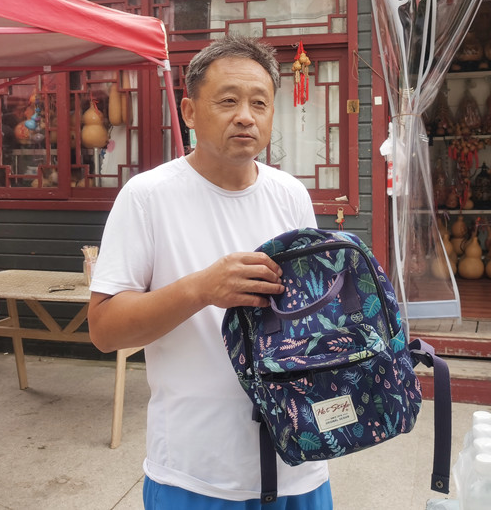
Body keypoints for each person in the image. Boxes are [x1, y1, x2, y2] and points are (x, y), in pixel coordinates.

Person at [88, 36, 332, 509]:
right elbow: (104, 329)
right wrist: (201, 288)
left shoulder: (291, 195)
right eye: (227, 101)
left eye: (259, 103)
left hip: (300, 463)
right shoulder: (148, 197)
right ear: (189, 111)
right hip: (195, 473)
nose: (245, 116)